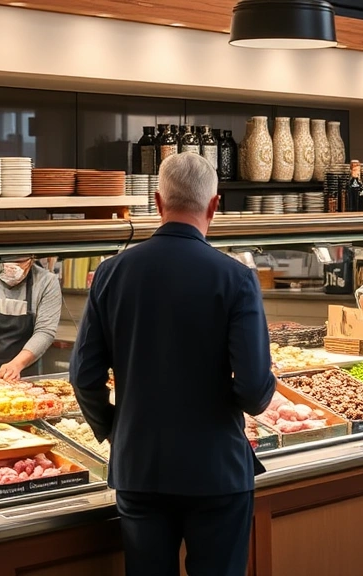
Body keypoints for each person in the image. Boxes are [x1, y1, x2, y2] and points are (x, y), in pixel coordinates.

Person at [69, 152, 275, 576]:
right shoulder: (235, 278)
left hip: (139, 469)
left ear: (158, 203)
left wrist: (114, 428)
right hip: (216, 470)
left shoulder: (110, 273)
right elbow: (255, 389)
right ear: (214, 206)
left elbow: (83, 375)